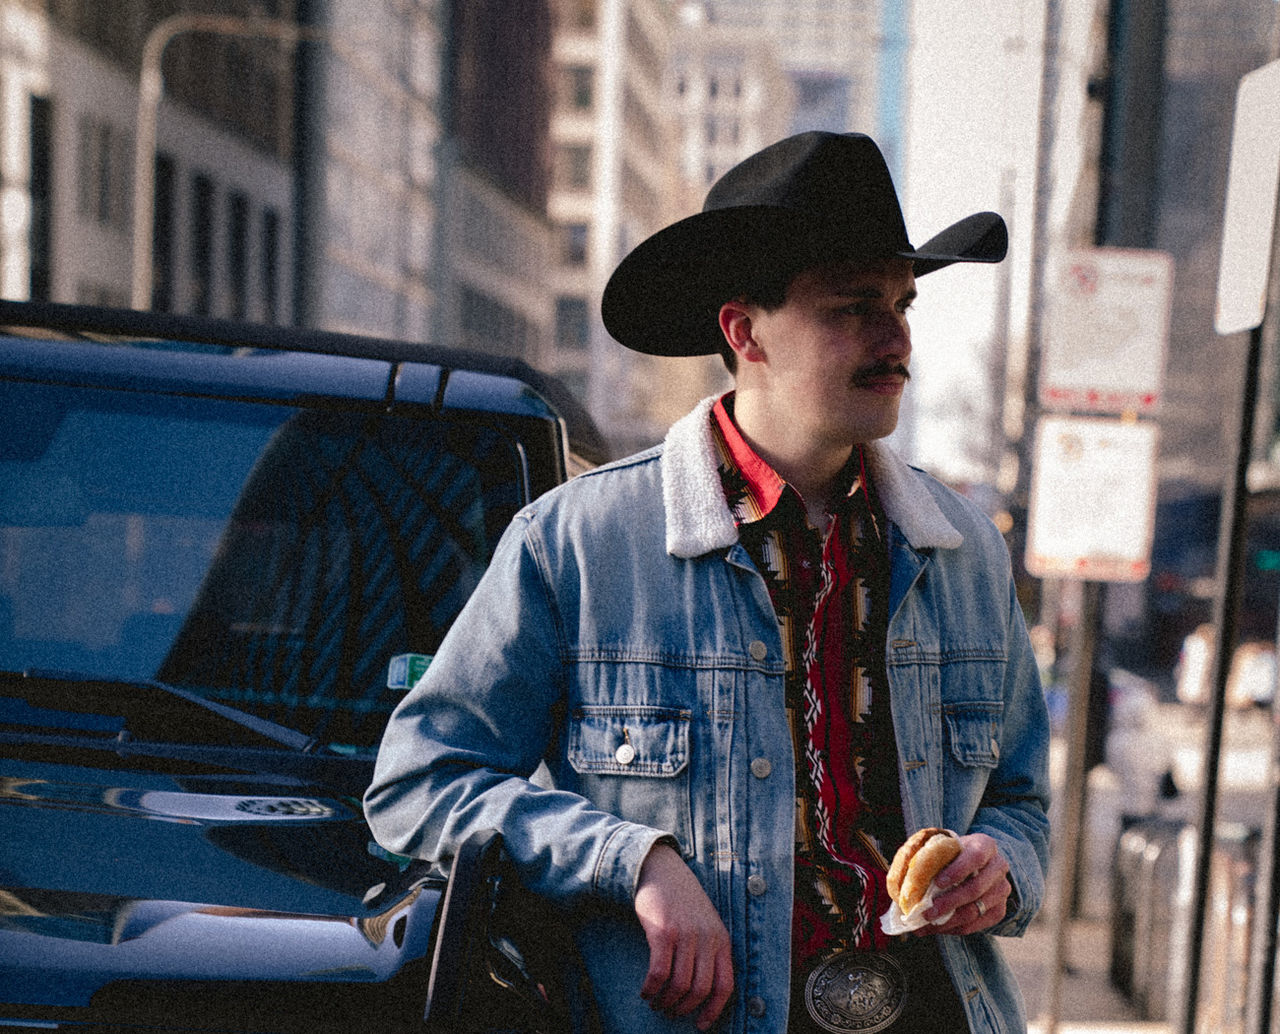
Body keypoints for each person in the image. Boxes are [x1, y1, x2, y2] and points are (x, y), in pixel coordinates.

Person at [365, 131, 1050, 1034]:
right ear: (744, 332)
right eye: (853, 307)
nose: (897, 340)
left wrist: (1000, 866)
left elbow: (1023, 801)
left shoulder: (964, 551)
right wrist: (632, 861)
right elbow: (421, 781)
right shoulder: (579, 542)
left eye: (902, 303)